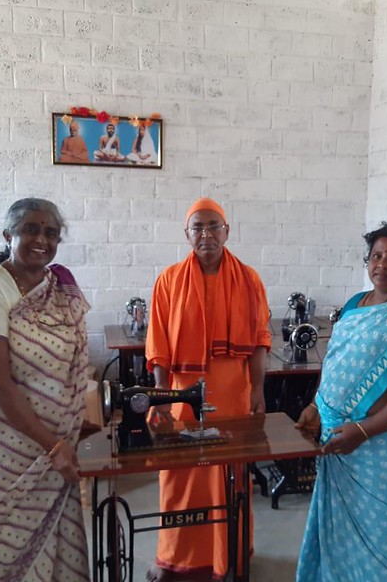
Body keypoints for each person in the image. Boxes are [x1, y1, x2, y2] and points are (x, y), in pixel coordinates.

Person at [295, 223, 387, 582]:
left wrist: (363, 431)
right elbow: (335, 361)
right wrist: (315, 406)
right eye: (376, 256)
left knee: (384, 535)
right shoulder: (355, 304)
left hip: (386, 443)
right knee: (340, 525)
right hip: (337, 436)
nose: (382, 264)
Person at [0, 198, 91, 581]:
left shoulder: (57, 289)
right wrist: (53, 446)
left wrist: (69, 432)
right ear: (8, 235)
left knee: (55, 549)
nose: (41, 240)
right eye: (31, 229)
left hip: (54, 445)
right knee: (1, 554)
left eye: (51, 233)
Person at [145, 198, 272, 582]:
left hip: (234, 390)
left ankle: (228, 554)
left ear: (226, 231)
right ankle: (172, 557)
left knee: (230, 476)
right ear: (187, 234)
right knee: (179, 477)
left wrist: (258, 390)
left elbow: (260, 340)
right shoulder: (169, 280)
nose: (206, 234)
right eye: (197, 227)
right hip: (183, 393)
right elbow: (158, 342)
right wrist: (161, 395)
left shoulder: (249, 279)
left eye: (214, 226)